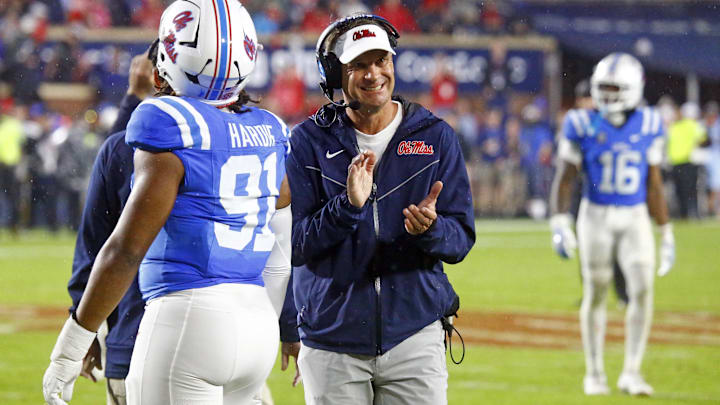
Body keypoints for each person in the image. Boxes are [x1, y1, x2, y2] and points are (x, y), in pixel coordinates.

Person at [42, 1, 292, 404]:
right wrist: (278, 319)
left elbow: (125, 250)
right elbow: (281, 254)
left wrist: (71, 344)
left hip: (189, 319)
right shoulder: (269, 129)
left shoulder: (168, 121)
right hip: (256, 325)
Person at [282, 14, 475, 405]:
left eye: (381, 61)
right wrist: (347, 206)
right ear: (336, 75)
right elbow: (296, 245)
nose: (374, 74)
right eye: (358, 65)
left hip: (414, 335)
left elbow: (461, 240)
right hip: (332, 339)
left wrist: (432, 230)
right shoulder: (307, 142)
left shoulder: (436, 136)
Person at [549, 53, 675, 396]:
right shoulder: (580, 122)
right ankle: (595, 373)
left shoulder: (650, 122)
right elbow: (565, 177)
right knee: (597, 291)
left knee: (643, 290)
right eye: (603, 87)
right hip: (596, 215)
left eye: (615, 88)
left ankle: (631, 372)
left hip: (635, 217)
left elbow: (653, 183)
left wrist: (666, 232)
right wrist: (559, 219)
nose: (607, 95)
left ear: (634, 89)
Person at [65, 45, 155, 405]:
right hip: (231, 347)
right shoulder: (259, 135)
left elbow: (105, 242)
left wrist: (82, 327)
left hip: (138, 338)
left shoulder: (132, 148)